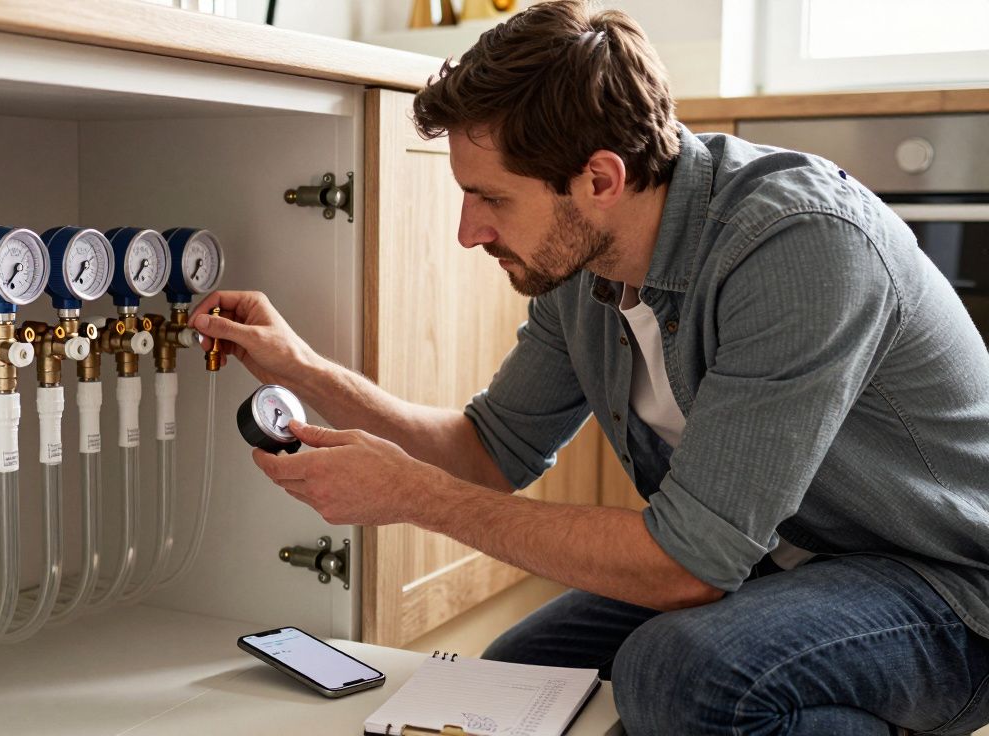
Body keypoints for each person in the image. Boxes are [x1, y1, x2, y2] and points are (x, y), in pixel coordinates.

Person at [188, 2, 989, 733]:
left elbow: (688, 567)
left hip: (946, 589)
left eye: (491, 199)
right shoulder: (586, 269)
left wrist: (412, 496)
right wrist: (304, 369)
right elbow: (486, 453)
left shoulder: (797, 248)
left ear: (600, 179)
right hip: (780, 562)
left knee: (679, 675)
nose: (469, 232)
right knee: (516, 678)